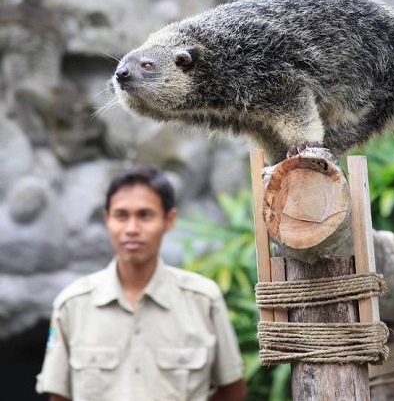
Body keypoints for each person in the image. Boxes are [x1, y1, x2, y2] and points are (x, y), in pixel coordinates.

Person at [36, 165, 247, 401]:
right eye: (121, 215)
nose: (132, 229)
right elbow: (59, 396)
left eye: (145, 215)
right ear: (107, 219)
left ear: (169, 220)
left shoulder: (203, 299)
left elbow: (232, 391)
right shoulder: (72, 304)